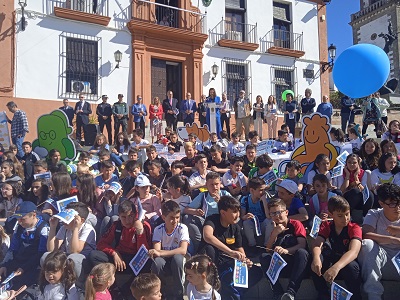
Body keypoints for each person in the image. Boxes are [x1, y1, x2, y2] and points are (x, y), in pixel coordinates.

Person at [201, 195, 263, 300]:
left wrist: (245, 260)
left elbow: (239, 248)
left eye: (238, 211)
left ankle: (235, 291)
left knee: (257, 271)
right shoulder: (212, 220)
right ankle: (225, 288)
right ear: (223, 213)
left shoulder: (235, 227)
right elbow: (207, 236)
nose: (238, 214)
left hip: (229, 264)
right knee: (209, 248)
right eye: (234, 212)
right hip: (214, 265)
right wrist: (230, 251)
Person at [89, 201, 152, 298]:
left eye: (131, 216)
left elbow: (143, 252)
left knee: (148, 262)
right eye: (124, 217)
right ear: (119, 216)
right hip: (120, 257)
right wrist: (114, 253)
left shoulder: (145, 226)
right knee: (94, 255)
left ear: (136, 215)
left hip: (136, 259)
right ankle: (109, 284)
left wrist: (140, 233)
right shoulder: (116, 225)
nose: (127, 221)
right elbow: (101, 244)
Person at [311, 196, 362, 300]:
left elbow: (354, 251)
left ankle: (356, 296)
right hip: (333, 259)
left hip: (346, 264)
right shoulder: (327, 225)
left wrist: (336, 267)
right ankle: (323, 294)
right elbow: (317, 243)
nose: (345, 219)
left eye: (347, 214)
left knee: (351, 267)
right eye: (340, 216)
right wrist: (316, 257)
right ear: (331, 214)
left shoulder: (354, 227)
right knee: (317, 261)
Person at [260, 198, 310, 300]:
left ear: (286, 212)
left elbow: (302, 245)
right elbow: (268, 250)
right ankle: (277, 291)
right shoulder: (274, 227)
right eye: (273, 214)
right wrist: (274, 234)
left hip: (298, 265)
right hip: (282, 264)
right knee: (263, 257)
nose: (276, 216)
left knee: (302, 253)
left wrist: (286, 250)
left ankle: (291, 292)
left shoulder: (295, 224)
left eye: (279, 212)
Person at [358, 183, 400, 300]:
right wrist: (392, 239)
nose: (397, 207)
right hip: (381, 261)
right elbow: (366, 234)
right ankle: (374, 295)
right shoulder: (374, 214)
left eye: (399, 202)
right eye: (392, 204)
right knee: (367, 245)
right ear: (381, 203)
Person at [0, 201, 49, 289]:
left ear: (34, 215)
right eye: (18, 219)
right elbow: (12, 249)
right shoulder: (19, 227)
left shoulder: (43, 229)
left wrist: (24, 268)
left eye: (23, 219)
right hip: (18, 260)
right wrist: (4, 265)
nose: (19, 222)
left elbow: (40, 253)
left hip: (33, 265)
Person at [45, 202, 97, 285]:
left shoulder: (88, 229)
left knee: (73, 258)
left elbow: (75, 251)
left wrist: (75, 228)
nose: (64, 220)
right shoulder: (64, 228)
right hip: (68, 257)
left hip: (83, 262)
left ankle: (79, 285)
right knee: (46, 256)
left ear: (81, 220)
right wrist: (53, 227)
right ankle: (53, 284)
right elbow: (51, 249)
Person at [148, 201, 189, 300]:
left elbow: (183, 250)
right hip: (164, 259)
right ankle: (161, 292)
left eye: (177, 217)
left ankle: (179, 293)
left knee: (178, 259)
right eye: (171, 218)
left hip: (177, 258)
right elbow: (157, 251)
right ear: (163, 217)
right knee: (157, 262)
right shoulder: (158, 229)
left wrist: (162, 252)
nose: (175, 221)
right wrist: (159, 252)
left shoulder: (182, 228)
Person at [184, 172, 231, 253]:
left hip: (223, 221)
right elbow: (186, 209)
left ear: (220, 183)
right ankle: (198, 244)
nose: (215, 187)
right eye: (211, 185)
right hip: (207, 222)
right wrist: (196, 211)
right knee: (186, 218)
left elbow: (234, 210)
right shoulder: (203, 196)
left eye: (216, 184)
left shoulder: (225, 194)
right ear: (206, 185)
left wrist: (220, 202)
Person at [337, 154, 373, 223]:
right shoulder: (341, 172)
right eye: (349, 162)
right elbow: (341, 190)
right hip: (347, 198)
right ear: (346, 163)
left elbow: (365, 191)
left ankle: (365, 217)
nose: (351, 164)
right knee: (354, 191)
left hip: (361, 198)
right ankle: (348, 215)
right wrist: (347, 176)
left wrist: (356, 178)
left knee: (370, 194)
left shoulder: (364, 173)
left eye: (354, 163)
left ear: (358, 163)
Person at [240, 177, 269, 249]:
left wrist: (265, 202)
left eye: (264, 190)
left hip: (263, 225)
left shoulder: (266, 199)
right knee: (246, 222)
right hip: (253, 225)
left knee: (270, 222)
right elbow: (242, 216)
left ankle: (267, 246)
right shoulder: (245, 199)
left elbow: (268, 216)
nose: (263, 192)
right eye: (261, 190)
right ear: (252, 190)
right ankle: (252, 246)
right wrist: (246, 216)